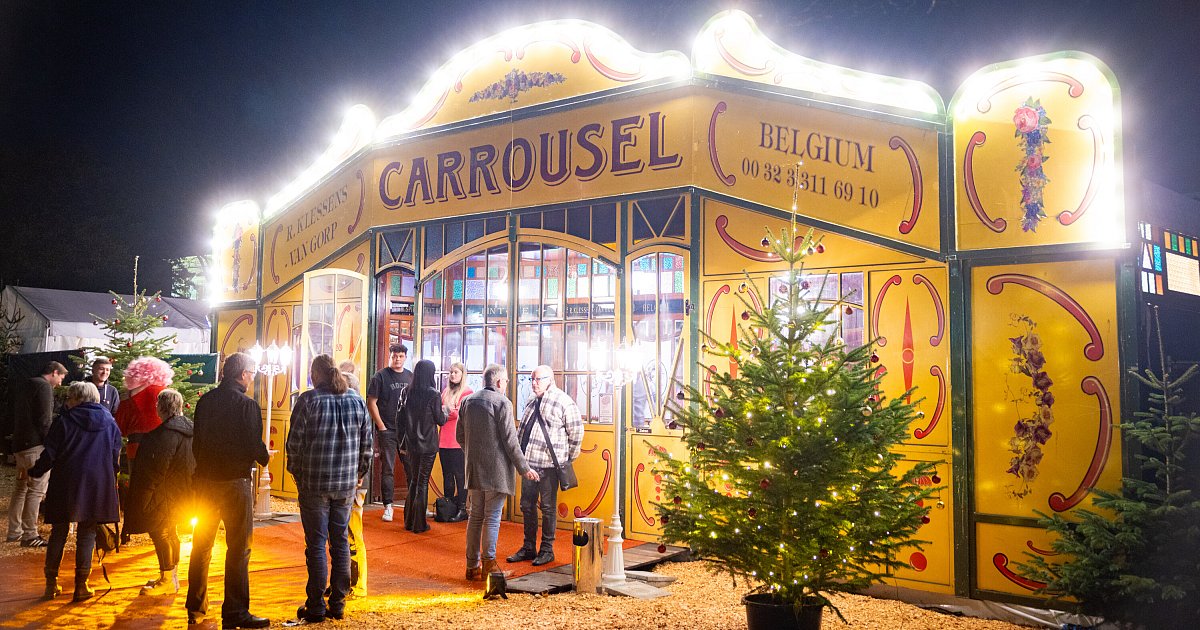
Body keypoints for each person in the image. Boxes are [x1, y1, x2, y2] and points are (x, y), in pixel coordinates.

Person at [186, 352, 270, 629]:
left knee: (202, 545)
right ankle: (235, 611)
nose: (254, 376)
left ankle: (195, 606)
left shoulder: (205, 401)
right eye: (252, 371)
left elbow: (197, 442)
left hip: (206, 481)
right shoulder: (246, 405)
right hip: (235, 481)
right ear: (242, 374)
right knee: (238, 548)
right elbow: (253, 445)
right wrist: (265, 456)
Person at [286, 354, 371, 622]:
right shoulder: (357, 401)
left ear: (314, 375)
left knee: (316, 545)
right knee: (341, 544)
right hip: (345, 485)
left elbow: (294, 444)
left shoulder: (308, 401)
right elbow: (367, 447)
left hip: (314, 484)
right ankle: (338, 603)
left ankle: (315, 607)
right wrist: (359, 474)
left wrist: (297, 475)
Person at [28, 381, 121, 602]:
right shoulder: (110, 422)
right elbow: (115, 455)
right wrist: (110, 476)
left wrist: (36, 471)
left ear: (78, 399)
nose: (67, 402)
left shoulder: (64, 422)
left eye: (70, 398)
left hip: (66, 482)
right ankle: (82, 585)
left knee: (59, 532)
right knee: (87, 533)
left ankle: (51, 584)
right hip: (97, 483)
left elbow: (50, 453)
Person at [458, 364, 538, 580]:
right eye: (506, 382)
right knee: (492, 518)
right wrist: (525, 469)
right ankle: (489, 566)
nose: (507, 385)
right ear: (500, 382)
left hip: (473, 469)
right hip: (497, 471)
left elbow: (459, 436)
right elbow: (511, 442)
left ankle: (471, 566)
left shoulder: (467, 400)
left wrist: (472, 455)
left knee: (475, 517)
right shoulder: (502, 402)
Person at [507, 365, 583, 567]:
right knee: (527, 506)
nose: (534, 383)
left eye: (538, 379)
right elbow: (523, 430)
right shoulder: (531, 401)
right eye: (532, 379)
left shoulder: (564, 402)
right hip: (530, 465)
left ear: (550, 379)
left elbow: (576, 433)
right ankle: (529, 547)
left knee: (548, 509)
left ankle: (547, 550)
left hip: (549, 466)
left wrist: (566, 459)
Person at [123, 388, 194, 596]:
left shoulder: (163, 435)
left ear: (161, 408)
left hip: (166, 493)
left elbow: (155, 469)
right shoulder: (193, 429)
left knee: (161, 532)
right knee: (171, 532)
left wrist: (143, 497)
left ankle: (168, 578)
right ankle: (172, 576)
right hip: (186, 491)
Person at [6, 361, 67, 548]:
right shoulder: (43, 387)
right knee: (36, 490)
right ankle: (30, 534)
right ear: (54, 372)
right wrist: (51, 444)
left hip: (20, 445)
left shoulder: (27, 384)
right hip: (35, 447)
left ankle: (14, 531)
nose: (60, 384)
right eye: (61, 378)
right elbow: (44, 420)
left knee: (21, 488)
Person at [366, 344, 412, 522]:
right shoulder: (380, 377)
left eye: (400, 356)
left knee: (410, 468)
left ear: (405, 357)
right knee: (388, 469)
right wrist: (381, 426)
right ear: (390, 356)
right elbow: (372, 402)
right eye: (394, 356)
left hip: (406, 431)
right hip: (388, 429)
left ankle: (413, 504)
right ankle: (388, 506)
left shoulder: (410, 376)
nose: (397, 359)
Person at [401, 359, 446, 533]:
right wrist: (446, 410)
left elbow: (402, 417)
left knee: (413, 480)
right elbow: (440, 419)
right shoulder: (433, 394)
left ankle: (409, 520)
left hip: (411, 443)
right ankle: (419, 524)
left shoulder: (407, 391)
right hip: (427, 443)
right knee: (422, 482)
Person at [114, 356, 174, 462]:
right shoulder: (165, 393)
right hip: (162, 446)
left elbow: (120, 427)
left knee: (137, 477)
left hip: (136, 447)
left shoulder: (128, 396)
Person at [439, 362, 472, 521]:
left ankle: (462, 508)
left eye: (456, 372)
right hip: (443, 439)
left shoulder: (467, 392)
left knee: (460, 476)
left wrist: (447, 410)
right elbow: (439, 411)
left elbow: (460, 413)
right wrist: (448, 410)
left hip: (458, 440)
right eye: (451, 372)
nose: (452, 375)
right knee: (447, 476)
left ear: (462, 375)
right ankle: (448, 506)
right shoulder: (445, 391)